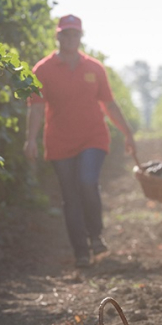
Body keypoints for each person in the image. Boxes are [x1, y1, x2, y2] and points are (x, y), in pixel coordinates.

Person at [24, 14, 137, 268]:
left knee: (87, 181)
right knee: (70, 196)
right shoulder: (42, 70)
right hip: (59, 141)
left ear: (80, 37)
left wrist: (128, 133)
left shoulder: (94, 68)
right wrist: (30, 139)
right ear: (58, 36)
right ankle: (81, 252)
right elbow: (37, 108)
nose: (71, 38)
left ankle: (95, 235)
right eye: (66, 34)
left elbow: (109, 104)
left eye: (75, 34)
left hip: (93, 137)